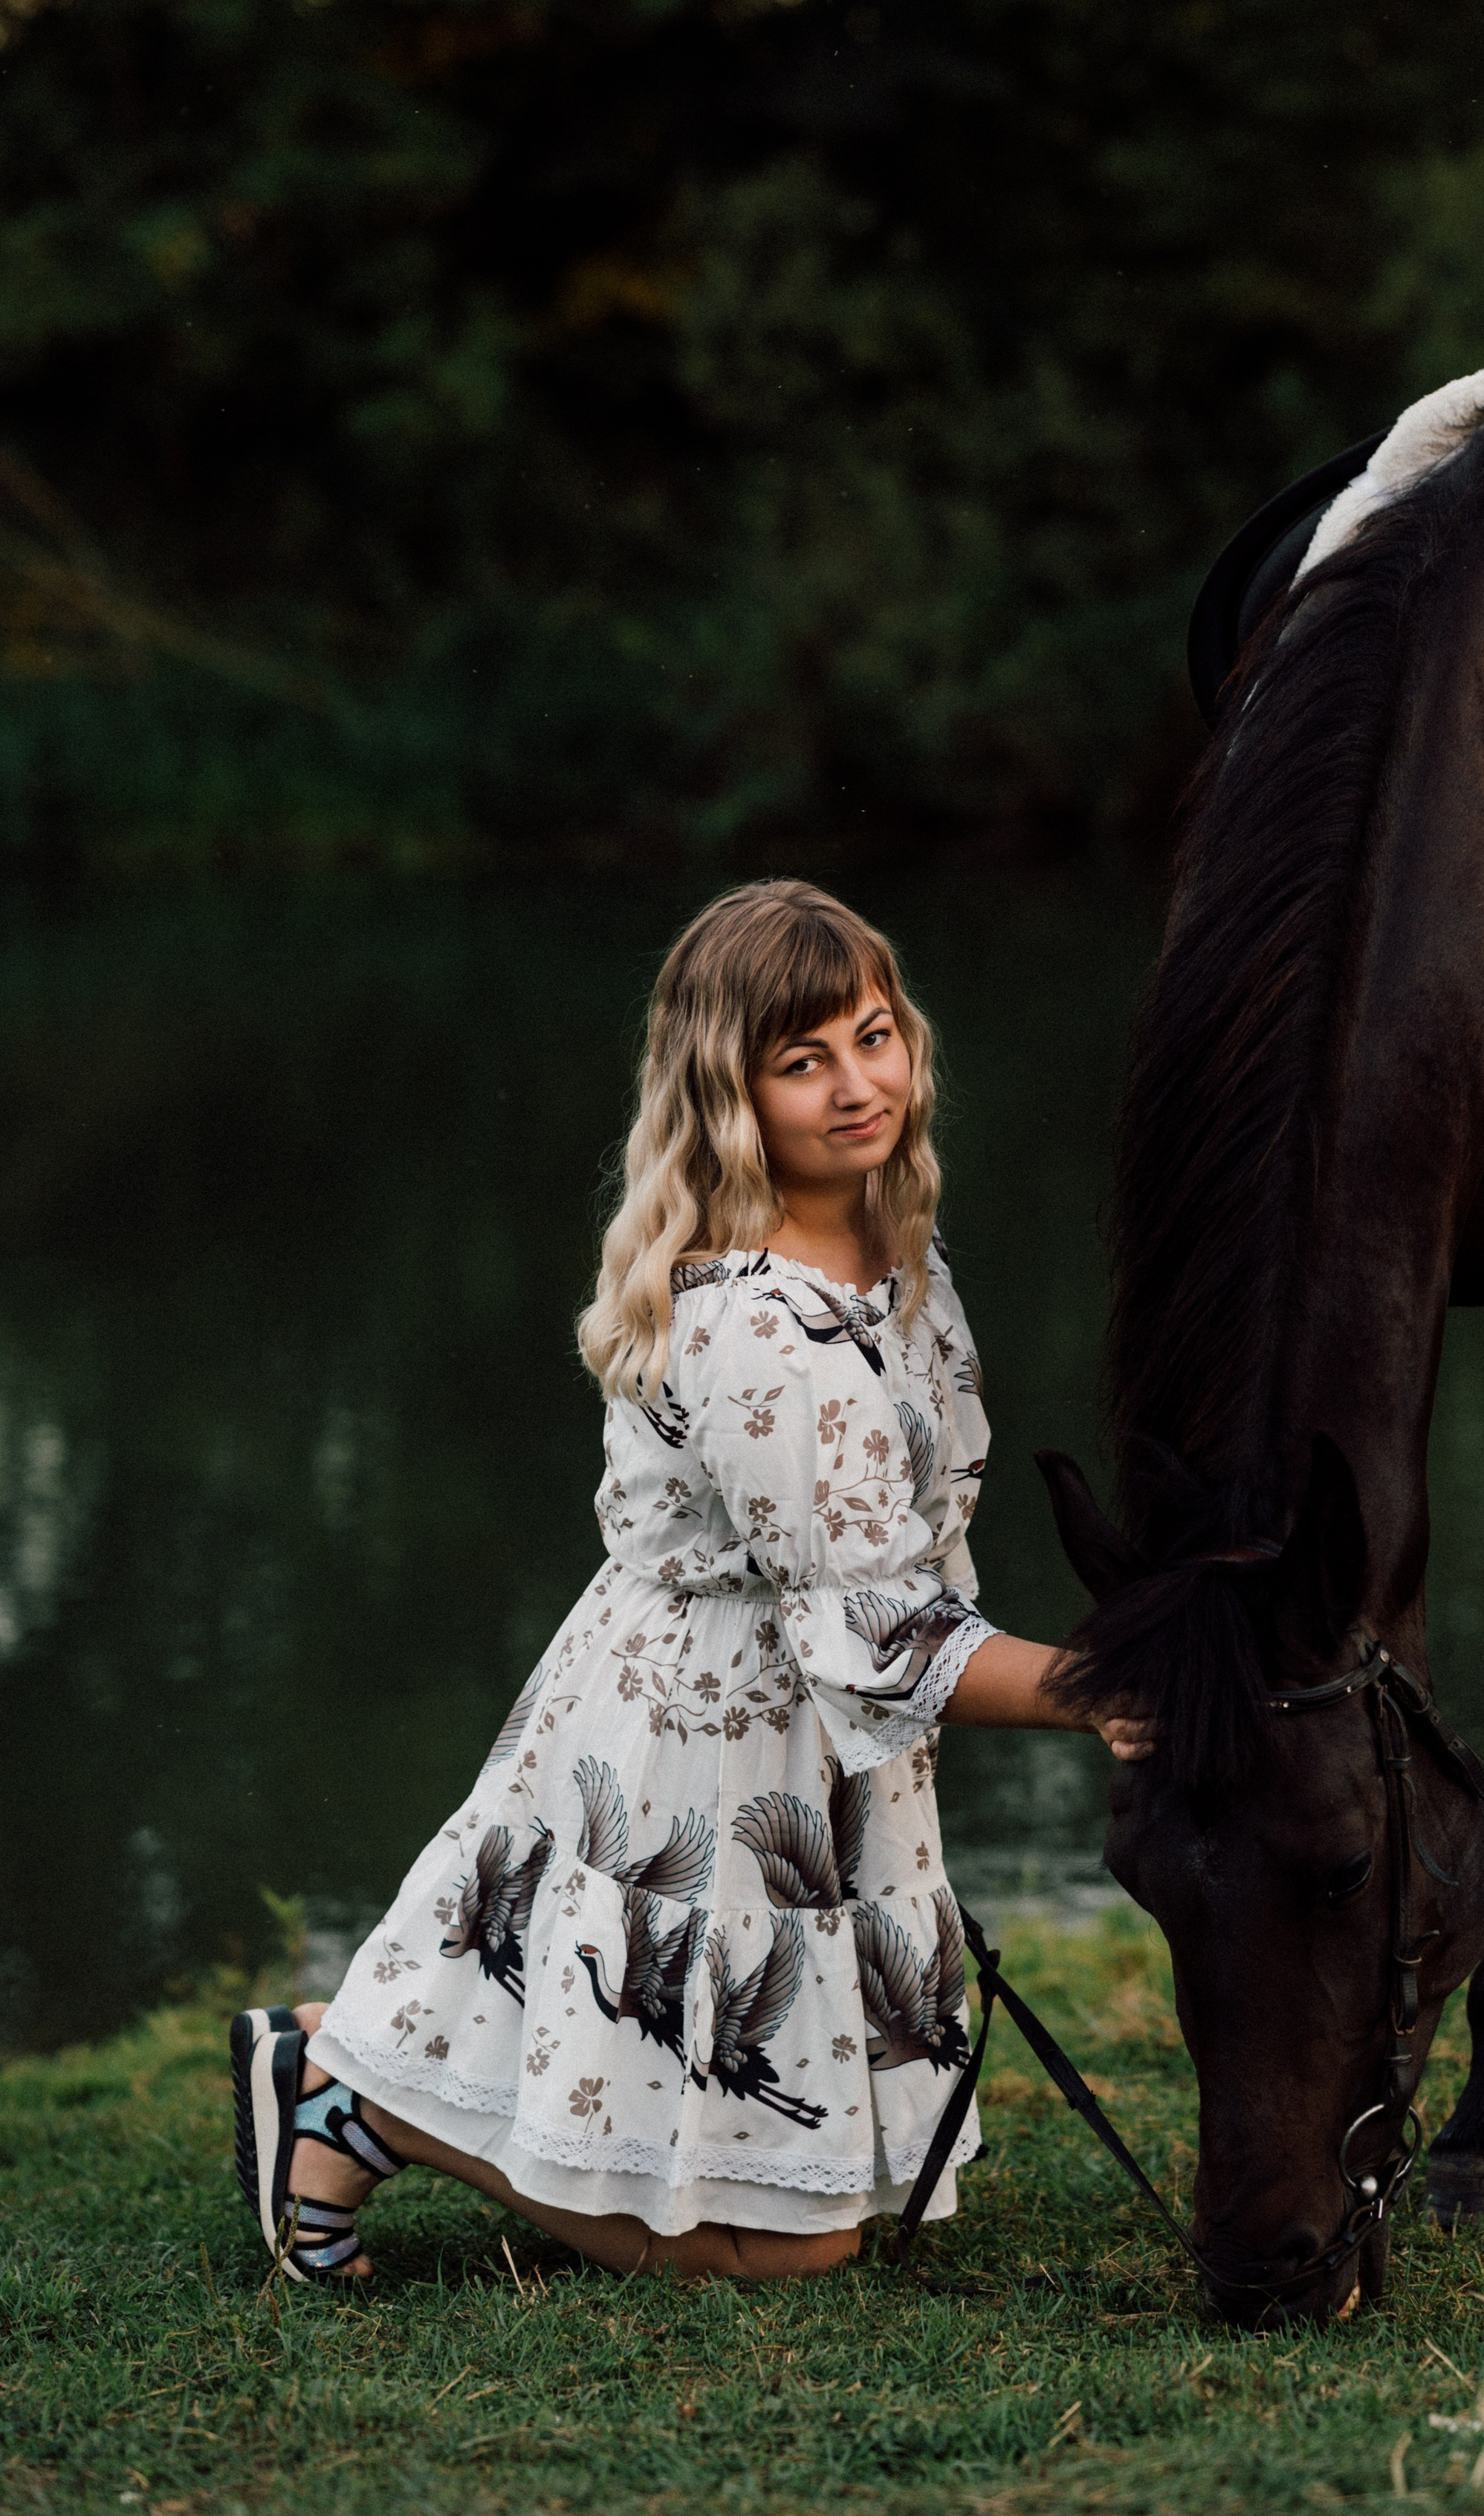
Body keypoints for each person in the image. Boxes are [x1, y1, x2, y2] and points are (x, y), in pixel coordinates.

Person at [232, 879, 1150, 2284]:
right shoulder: (760, 1328)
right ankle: (355, 2098)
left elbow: (907, 1545)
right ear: (729, 1093)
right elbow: (875, 1626)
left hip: (798, 1728)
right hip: (706, 1739)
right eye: (804, 1063)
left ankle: (347, 2078)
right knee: (790, 2250)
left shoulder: (895, 1242)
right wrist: (1096, 1691)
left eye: (874, 1037)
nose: (860, 1086)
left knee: (805, 2191)